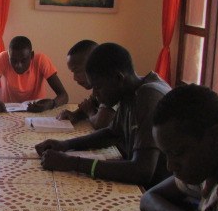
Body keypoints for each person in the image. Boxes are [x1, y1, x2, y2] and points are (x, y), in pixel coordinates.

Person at [35, 42, 171, 188]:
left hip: (161, 190)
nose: (96, 95)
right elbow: (111, 134)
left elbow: (142, 171)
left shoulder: (148, 97)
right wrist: (66, 144)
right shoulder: (130, 91)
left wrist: (71, 163)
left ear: (118, 78)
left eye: (98, 87)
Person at [0, 36, 68, 112]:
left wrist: (51, 104)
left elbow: (64, 95)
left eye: (23, 61)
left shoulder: (41, 60)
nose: (18, 65)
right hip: (9, 111)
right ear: (8, 56)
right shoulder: (3, 58)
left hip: (37, 112)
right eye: (13, 61)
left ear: (32, 56)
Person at [57, 40, 116, 129]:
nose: (75, 78)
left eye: (77, 71)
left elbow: (101, 124)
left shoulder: (111, 86)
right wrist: (75, 114)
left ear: (94, 65)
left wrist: (89, 111)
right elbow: (92, 104)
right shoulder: (97, 87)